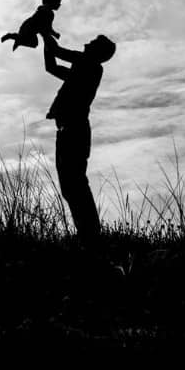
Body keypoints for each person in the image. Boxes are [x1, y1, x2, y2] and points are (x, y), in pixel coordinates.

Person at [42, 33, 116, 240]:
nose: (87, 42)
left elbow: (57, 52)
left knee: (75, 185)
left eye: (93, 43)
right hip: (69, 131)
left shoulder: (90, 66)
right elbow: (52, 67)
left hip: (75, 130)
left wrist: (44, 32)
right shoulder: (83, 70)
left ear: (97, 52)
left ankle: (90, 235)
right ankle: (87, 234)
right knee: (71, 186)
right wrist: (44, 39)